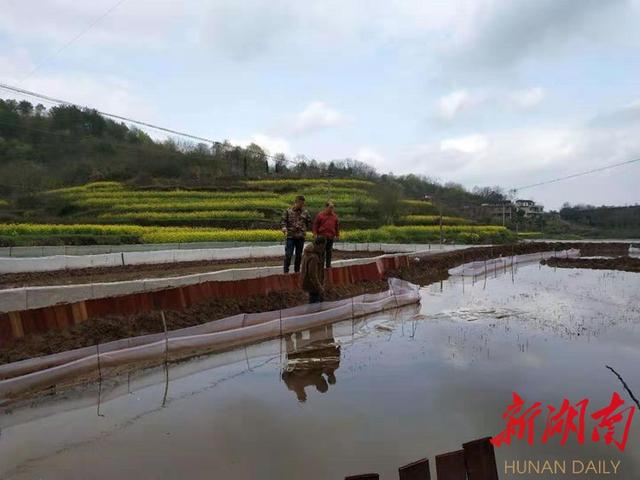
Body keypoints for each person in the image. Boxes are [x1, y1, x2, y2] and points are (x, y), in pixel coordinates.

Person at [281, 195, 312, 273]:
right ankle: (286, 271)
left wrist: (305, 229)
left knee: (298, 256)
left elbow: (310, 222)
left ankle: (297, 272)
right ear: (296, 202)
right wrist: (284, 227)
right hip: (291, 236)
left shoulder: (305, 212)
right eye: (300, 204)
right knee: (289, 254)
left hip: (300, 237)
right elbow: (283, 221)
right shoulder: (288, 211)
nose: (302, 206)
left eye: (303, 204)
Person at [312, 200, 340, 268]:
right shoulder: (320, 215)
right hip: (322, 236)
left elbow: (337, 226)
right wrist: (315, 233)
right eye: (330, 207)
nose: (332, 209)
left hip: (330, 236)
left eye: (332, 207)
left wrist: (337, 235)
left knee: (329, 251)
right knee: (321, 252)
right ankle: (320, 266)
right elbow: (315, 225)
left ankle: (328, 266)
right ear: (326, 207)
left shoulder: (335, 216)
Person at [300, 235, 326, 303]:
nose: (323, 249)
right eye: (323, 246)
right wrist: (319, 287)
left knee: (313, 302)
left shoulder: (308, 253)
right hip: (313, 285)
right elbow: (312, 274)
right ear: (320, 245)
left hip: (308, 283)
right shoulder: (314, 257)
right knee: (315, 304)